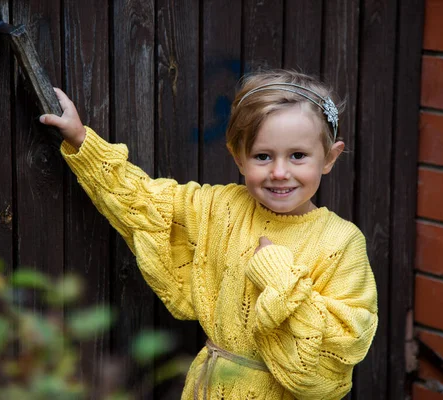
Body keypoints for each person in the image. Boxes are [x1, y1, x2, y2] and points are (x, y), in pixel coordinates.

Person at [40, 70, 378, 400]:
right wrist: (82, 139)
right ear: (239, 157)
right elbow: (142, 201)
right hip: (213, 386)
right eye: (262, 156)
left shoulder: (341, 242)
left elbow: (343, 344)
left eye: (298, 156)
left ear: (329, 157)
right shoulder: (220, 207)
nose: (279, 172)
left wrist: (278, 277)